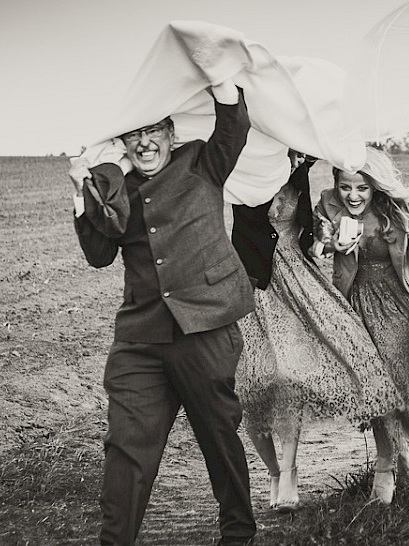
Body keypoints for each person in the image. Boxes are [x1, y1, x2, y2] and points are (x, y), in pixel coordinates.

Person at [69, 81, 258, 546]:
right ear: (122, 142)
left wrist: (222, 83)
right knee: (126, 449)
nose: (145, 141)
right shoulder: (114, 185)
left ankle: (239, 533)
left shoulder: (201, 162)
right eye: (135, 133)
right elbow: (98, 254)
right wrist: (83, 193)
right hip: (141, 337)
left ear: (171, 134)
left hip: (207, 328)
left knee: (219, 440)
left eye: (155, 130)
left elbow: (233, 128)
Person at [232, 150, 403, 513]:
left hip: (300, 283)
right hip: (254, 284)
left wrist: (326, 244)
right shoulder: (239, 173)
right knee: (251, 383)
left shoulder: (299, 171)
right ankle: (273, 473)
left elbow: (311, 234)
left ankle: (294, 472)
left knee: (293, 372)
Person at [313, 147, 409, 504]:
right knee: (373, 385)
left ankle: (399, 452)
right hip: (355, 300)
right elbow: (316, 244)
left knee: (396, 376)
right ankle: (388, 460)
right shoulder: (328, 205)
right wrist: (330, 243)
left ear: (375, 187)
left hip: (395, 299)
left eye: (361, 188)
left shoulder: (393, 211)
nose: (353, 195)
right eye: (346, 187)